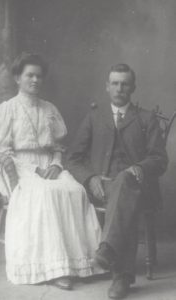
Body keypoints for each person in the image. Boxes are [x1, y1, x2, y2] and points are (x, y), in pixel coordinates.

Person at [0, 52, 105, 289]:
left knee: (74, 190)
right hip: (17, 168)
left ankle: (84, 262)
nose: (35, 80)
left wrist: (57, 164)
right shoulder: (7, 109)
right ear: (18, 78)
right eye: (30, 75)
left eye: (39, 76)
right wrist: (35, 168)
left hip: (50, 164)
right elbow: (3, 151)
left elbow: (58, 147)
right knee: (43, 194)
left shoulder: (49, 109)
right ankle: (55, 267)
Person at [67, 63, 168, 299]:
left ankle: (115, 265)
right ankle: (119, 271)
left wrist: (139, 167)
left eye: (124, 84)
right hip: (100, 187)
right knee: (121, 196)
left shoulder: (146, 118)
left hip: (138, 186)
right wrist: (90, 178)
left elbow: (159, 159)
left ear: (133, 87)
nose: (119, 88)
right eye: (115, 83)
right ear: (107, 87)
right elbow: (73, 158)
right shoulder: (94, 117)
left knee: (124, 186)